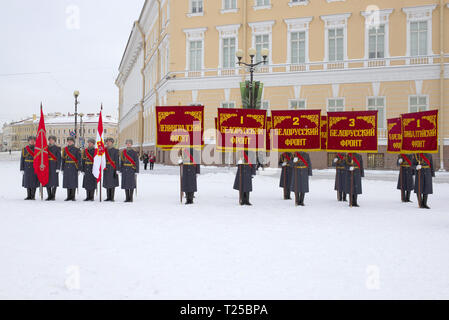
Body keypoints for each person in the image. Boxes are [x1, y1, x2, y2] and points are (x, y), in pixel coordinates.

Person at [62, 137, 81, 201]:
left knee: (73, 182)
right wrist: (62, 168)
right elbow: (63, 159)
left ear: (73, 142)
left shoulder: (77, 149)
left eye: (71, 141)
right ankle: (68, 196)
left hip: (74, 167)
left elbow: (79, 160)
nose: (69, 142)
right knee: (68, 181)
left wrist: (78, 169)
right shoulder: (65, 149)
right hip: (66, 167)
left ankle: (73, 196)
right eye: (68, 141)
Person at [20, 136, 39, 200]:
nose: (32, 141)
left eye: (33, 140)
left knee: (34, 182)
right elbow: (22, 159)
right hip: (27, 167)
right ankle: (28, 196)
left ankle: (33, 196)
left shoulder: (38, 149)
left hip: (35, 167)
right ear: (28, 141)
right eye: (31, 140)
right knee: (27, 181)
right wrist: (22, 168)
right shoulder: (24, 149)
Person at [103, 137, 119, 202]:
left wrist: (117, 169)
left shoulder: (115, 150)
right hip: (106, 167)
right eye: (107, 141)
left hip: (113, 168)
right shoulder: (104, 150)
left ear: (112, 142)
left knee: (112, 183)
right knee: (107, 182)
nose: (108, 143)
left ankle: (112, 197)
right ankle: (108, 197)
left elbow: (117, 160)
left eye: (109, 141)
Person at [46, 136, 61, 201]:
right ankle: (49, 195)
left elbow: (59, 159)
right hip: (47, 166)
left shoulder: (57, 148)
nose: (51, 141)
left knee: (54, 182)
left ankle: (53, 195)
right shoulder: (45, 148)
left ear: (55, 141)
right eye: (50, 140)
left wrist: (58, 167)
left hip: (54, 166)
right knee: (47, 181)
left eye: (52, 140)